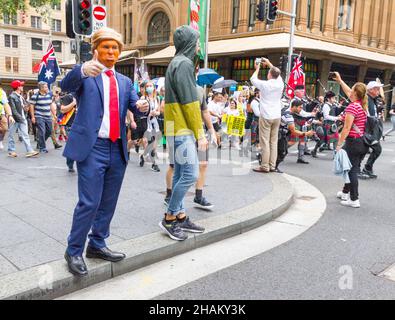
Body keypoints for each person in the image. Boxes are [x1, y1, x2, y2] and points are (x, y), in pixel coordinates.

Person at [60, 27, 149, 276]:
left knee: (108, 202)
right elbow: (65, 86)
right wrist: (80, 70)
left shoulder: (125, 81)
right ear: (96, 49)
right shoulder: (87, 74)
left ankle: (97, 244)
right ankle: (74, 250)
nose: (111, 52)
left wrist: (144, 105)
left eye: (115, 48)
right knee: (89, 202)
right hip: (92, 148)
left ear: (119, 52)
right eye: (106, 47)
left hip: (117, 148)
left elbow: (137, 107)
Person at [161, 25, 208, 241]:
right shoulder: (184, 64)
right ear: (190, 42)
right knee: (190, 174)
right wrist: (200, 133)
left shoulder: (176, 62)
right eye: (197, 41)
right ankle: (170, 217)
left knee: (181, 173)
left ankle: (180, 215)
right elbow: (191, 103)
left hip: (174, 126)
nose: (199, 45)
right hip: (182, 128)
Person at [334, 72, 369, 208]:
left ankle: (354, 199)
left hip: (353, 142)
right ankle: (345, 193)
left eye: (352, 88)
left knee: (351, 170)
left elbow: (347, 128)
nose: (350, 90)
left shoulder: (352, 107)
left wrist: (339, 144)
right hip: (362, 142)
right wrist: (340, 80)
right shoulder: (361, 105)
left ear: (355, 92)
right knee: (353, 168)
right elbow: (348, 91)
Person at [251, 58, 284, 173]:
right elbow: (276, 72)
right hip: (277, 115)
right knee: (273, 142)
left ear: (270, 74)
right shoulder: (280, 83)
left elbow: (253, 79)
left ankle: (265, 166)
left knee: (265, 141)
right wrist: (270, 63)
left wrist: (258, 68)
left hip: (266, 115)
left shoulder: (265, 84)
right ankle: (272, 165)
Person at [276, 99, 315, 172]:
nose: (301, 109)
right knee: (282, 152)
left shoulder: (286, 111)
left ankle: (272, 165)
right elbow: (293, 131)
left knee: (281, 150)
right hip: (279, 134)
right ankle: (273, 165)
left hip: (280, 133)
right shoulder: (288, 115)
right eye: (300, 107)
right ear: (294, 107)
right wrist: (307, 133)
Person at [7, 80, 39, 158]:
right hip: (15, 119)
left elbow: (24, 107)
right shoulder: (12, 96)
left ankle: (29, 151)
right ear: (18, 87)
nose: (22, 86)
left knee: (25, 135)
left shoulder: (20, 96)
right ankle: (11, 151)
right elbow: (13, 110)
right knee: (11, 134)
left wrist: (26, 107)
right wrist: (21, 118)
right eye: (21, 85)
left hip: (22, 118)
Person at [359, 81, 384, 179]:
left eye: (378, 89)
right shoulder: (366, 99)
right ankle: (359, 170)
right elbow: (366, 115)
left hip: (372, 130)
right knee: (364, 150)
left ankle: (367, 168)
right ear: (370, 90)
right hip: (366, 130)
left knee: (374, 150)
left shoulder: (374, 100)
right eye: (376, 88)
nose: (378, 91)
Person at [28, 81, 58, 153]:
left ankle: (40, 142)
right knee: (42, 131)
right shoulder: (35, 96)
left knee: (50, 131)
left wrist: (54, 115)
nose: (47, 88)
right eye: (45, 87)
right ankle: (42, 148)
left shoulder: (48, 95)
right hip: (39, 116)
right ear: (41, 88)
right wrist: (33, 117)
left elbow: (50, 105)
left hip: (48, 116)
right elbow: (31, 106)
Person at [138, 81, 161, 172]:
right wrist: (147, 112)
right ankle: (154, 164)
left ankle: (143, 156)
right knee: (147, 141)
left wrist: (156, 113)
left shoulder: (157, 98)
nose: (149, 87)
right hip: (145, 121)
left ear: (154, 87)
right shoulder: (143, 98)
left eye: (150, 86)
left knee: (154, 143)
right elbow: (139, 110)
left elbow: (159, 111)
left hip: (154, 121)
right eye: (147, 86)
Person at [312, 91, 341, 158]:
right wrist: (337, 118)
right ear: (328, 99)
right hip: (327, 125)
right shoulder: (326, 106)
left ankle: (335, 155)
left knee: (336, 139)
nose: (334, 100)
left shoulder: (332, 105)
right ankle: (314, 150)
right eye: (333, 98)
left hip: (332, 125)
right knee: (322, 140)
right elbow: (326, 116)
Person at [59, 92, 77, 172]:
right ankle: (70, 165)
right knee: (72, 147)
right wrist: (73, 103)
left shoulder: (87, 95)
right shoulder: (69, 97)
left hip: (85, 126)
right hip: (71, 126)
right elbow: (62, 110)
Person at [0, 82, 15, 151]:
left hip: (1, 113)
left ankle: (0, 140)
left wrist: (10, 115)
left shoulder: (2, 92)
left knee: (5, 128)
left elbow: (6, 104)